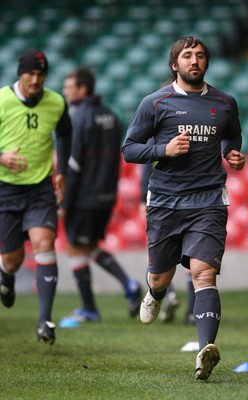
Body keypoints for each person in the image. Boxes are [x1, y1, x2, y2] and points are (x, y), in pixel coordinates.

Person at [122, 36, 246, 379]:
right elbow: (130, 149)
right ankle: (156, 291)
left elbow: (233, 134)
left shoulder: (224, 102)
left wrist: (231, 153)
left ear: (207, 63)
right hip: (165, 201)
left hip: (208, 200)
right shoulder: (155, 102)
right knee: (161, 274)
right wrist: (164, 150)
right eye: (187, 56)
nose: (195, 60)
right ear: (174, 64)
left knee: (203, 274)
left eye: (201, 55)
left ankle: (205, 350)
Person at [58, 67, 142, 325]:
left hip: (83, 195)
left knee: (75, 245)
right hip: (106, 194)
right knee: (91, 245)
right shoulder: (111, 116)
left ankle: (89, 308)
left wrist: (64, 202)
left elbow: (73, 166)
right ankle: (128, 285)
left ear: (82, 89)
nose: (64, 91)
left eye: (68, 87)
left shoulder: (77, 118)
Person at [0, 48, 72, 344]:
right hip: (5, 188)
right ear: (20, 73)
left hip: (40, 187)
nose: (36, 79)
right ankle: (5, 275)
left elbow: (66, 133)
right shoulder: (2, 99)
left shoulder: (56, 102)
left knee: (45, 243)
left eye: (41, 74)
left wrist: (62, 172)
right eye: (31, 73)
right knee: (13, 259)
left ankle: (45, 320)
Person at [140, 161, 195, 325]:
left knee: (160, 256)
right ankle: (192, 312)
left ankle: (167, 293)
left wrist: (143, 197)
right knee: (191, 258)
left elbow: (146, 161)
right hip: (193, 199)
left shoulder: (159, 136)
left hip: (163, 202)